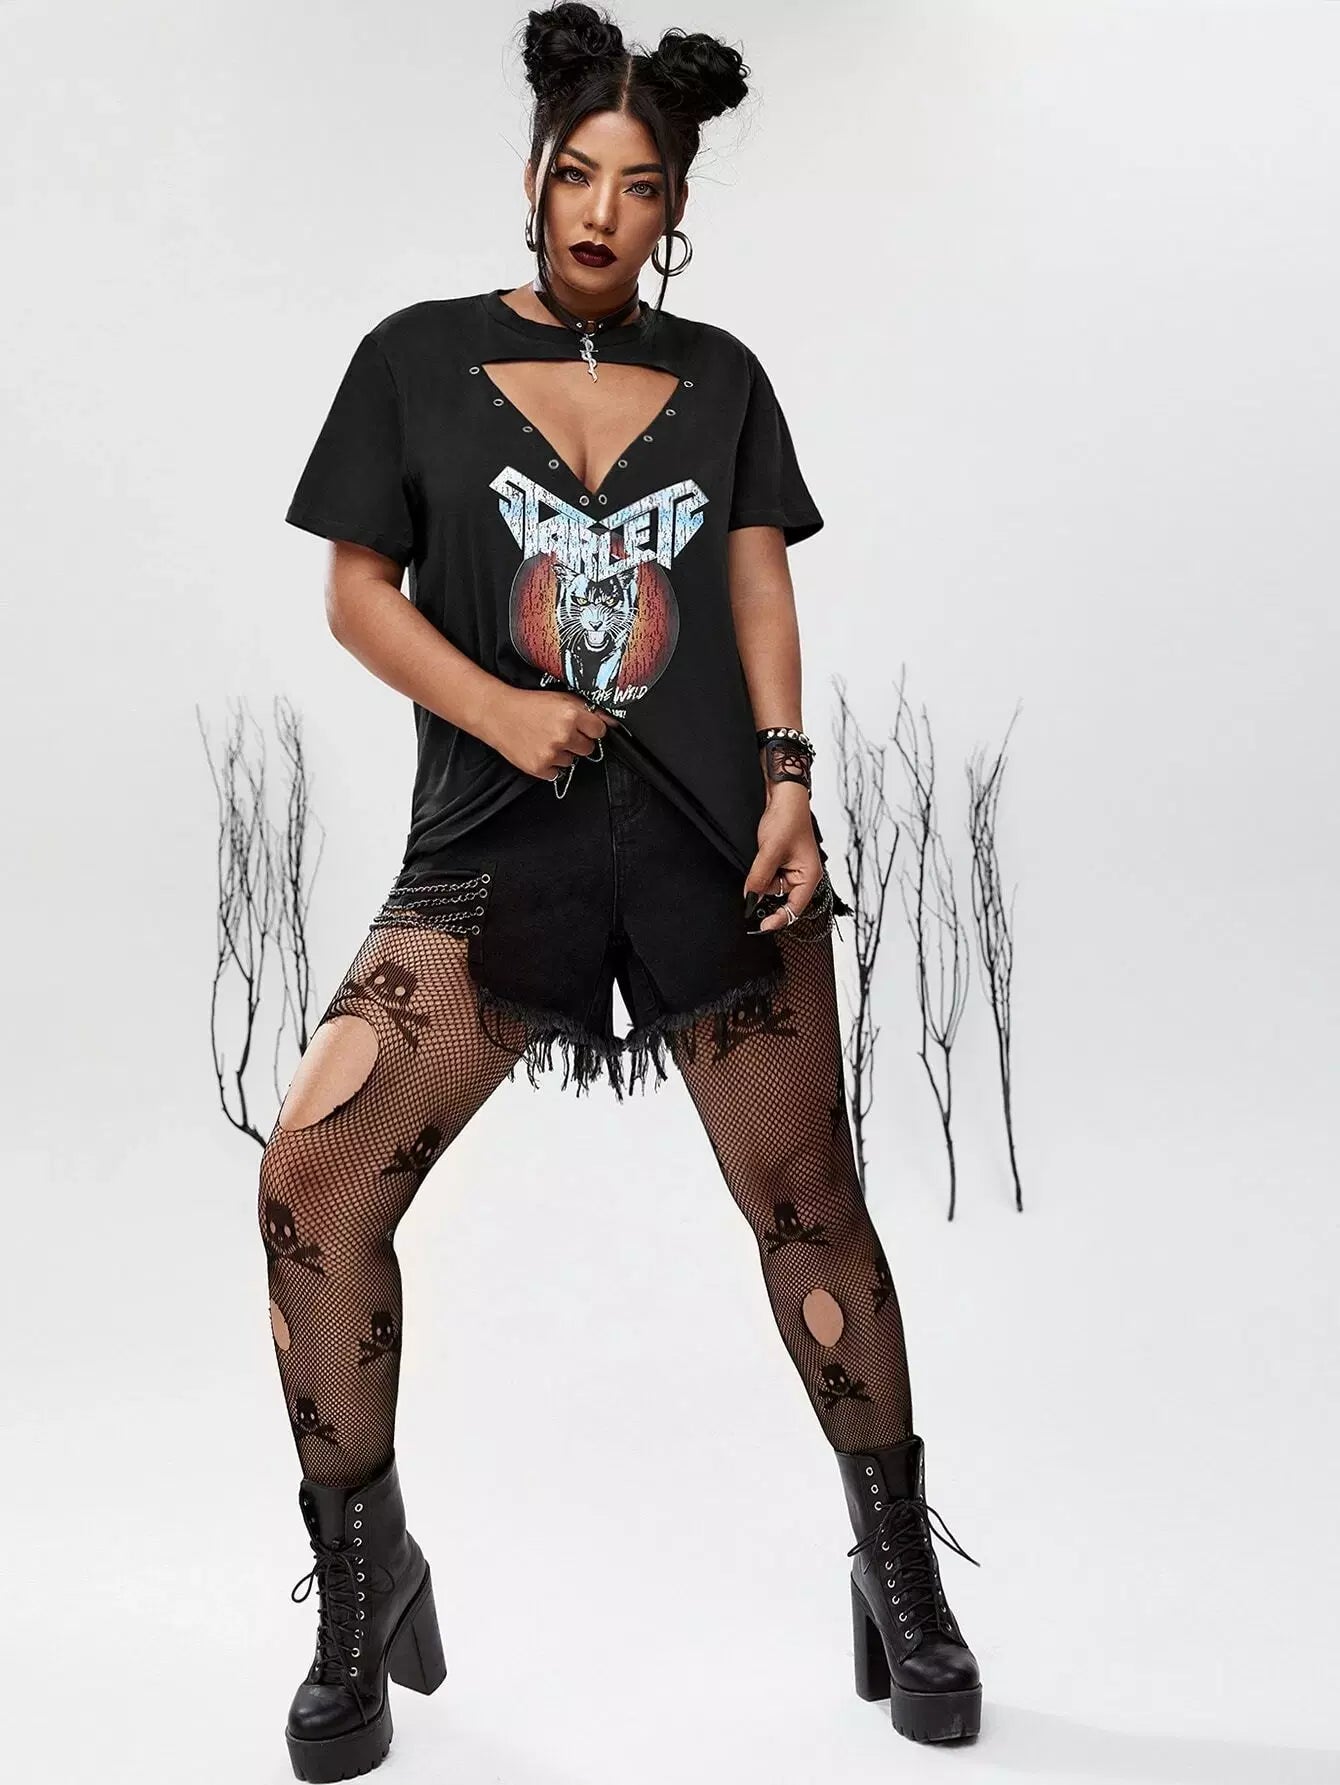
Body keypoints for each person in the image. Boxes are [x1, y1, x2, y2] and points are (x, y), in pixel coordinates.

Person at [261, 6, 983, 1777]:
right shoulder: (414, 357)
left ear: (675, 209)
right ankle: (362, 1586)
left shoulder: (724, 377)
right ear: (532, 176)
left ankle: (898, 1572)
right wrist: (502, 708)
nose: (601, 211)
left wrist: (793, 782)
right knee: (312, 1183)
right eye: (576, 174)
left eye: (639, 186)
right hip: (487, 852)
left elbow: (755, 587)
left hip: (711, 841)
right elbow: (356, 594)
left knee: (810, 1201)